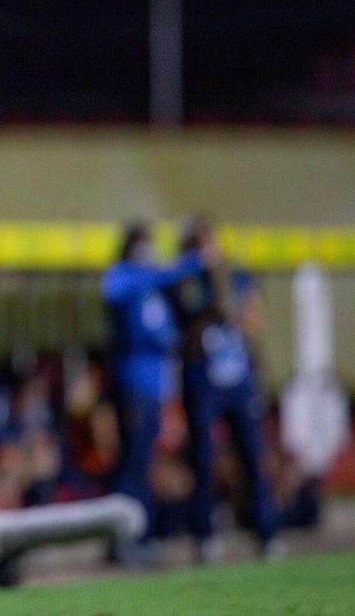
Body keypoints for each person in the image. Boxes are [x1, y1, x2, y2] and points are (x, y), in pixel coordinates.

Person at [175, 219, 282, 562]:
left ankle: (266, 531)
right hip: (204, 379)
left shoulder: (235, 275)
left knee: (252, 453)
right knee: (204, 456)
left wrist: (232, 307)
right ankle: (205, 536)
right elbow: (189, 322)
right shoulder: (185, 279)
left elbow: (252, 317)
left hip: (237, 377)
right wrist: (215, 308)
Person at [101, 222, 206, 563]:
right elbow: (113, 290)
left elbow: (168, 332)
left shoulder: (154, 287)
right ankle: (122, 538)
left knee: (143, 465)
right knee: (132, 466)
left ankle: (137, 536)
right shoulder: (125, 277)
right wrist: (189, 262)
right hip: (134, 387)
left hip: (156, 390)